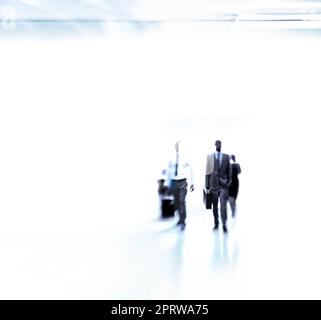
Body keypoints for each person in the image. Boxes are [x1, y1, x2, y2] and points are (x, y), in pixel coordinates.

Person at [165, 141, 194, 230]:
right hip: (173, 182)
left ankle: (183, 221)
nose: (178, 147)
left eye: (179, 146)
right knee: (176, 202)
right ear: (175, 147)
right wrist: (167, 184)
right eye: (176, 146)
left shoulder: (186, 157)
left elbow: (191, 170)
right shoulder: (171, 158)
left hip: (182, 182)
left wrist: (192, 182)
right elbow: (169, 171)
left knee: (182, 201)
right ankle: (179, 219)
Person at [205, 140, 232, 233]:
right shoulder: (209, 157)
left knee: (223, 206)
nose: (218, 145)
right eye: (217, 144)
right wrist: (207, 185)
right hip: (213, 185)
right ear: (215, 145)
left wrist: (229, 182)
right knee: (215, 206)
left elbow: (229, 170)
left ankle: (224, 224)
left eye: (220, 143)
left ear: (221, 145)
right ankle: (216, 223)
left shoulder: (226, 156)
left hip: (224, 185)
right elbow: (207, 172)